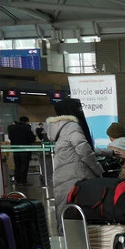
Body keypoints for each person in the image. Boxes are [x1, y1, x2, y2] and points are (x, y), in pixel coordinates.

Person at [44, 98, 109, 233]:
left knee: (66, 208)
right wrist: (98, 170)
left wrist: (109, 152)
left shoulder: (61, 127)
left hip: (64, 174)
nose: (81, 111)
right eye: (79, 108)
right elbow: (83, 150)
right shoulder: (72, 126)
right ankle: (78, 241)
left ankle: (66, 237)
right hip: (77, 174)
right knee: (79, 211)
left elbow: (79, 147)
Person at [8, 116, 35, 185]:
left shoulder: (12, 128)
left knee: (17, 166)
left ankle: (18, 181)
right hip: (25, 150)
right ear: (27, 122)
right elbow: (32, 138)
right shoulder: (27, 128)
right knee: (24, 166)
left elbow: (10, 137)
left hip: (16, 150)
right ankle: (23, 181)